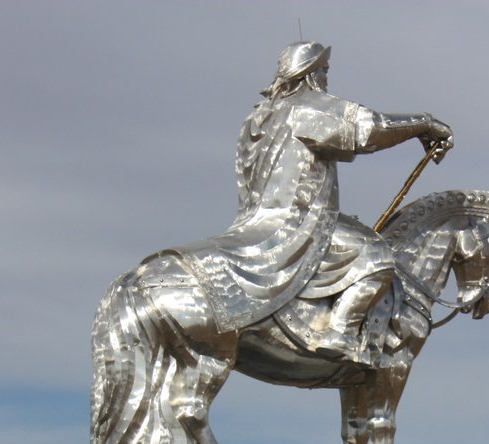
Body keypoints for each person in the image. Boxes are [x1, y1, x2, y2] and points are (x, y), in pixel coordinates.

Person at [161, 41, 453, 364]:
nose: (326, 77)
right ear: (309, 74)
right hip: (297, 225)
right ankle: (340, 333)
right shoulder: (309, 108)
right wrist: (422, 124)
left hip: (252, 222)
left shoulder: (258, 118)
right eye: (323, 70)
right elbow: (368, 130)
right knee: (377, 257)